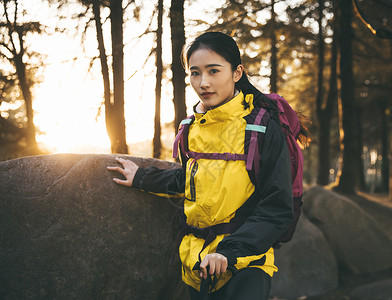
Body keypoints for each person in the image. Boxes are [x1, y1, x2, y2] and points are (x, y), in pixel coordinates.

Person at [107, 31, 294, 300]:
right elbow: (189, 180)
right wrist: (141, 178)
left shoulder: (262, 127)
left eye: (213, 71)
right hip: (197, 263)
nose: (203, 82)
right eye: (195, 73)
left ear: (237, 72)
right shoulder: (189, 128)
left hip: (247, 265)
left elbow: (277, 207)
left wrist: (229, 252)